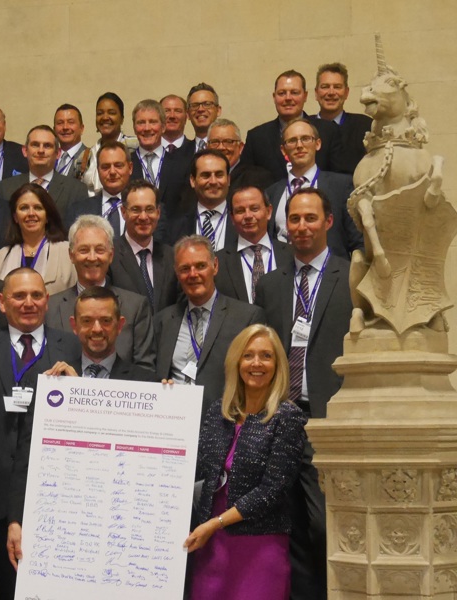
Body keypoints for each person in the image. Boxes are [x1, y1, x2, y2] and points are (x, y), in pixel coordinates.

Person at [0, 268, 81, 600]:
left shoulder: (68, 345)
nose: (28, 303)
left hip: (49, 493)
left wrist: (77, 386)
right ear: (2, 302)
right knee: (5, 587)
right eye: (19, 296)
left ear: (47, 300)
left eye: (36, 295)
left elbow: (78, 417)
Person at [6, 286, 159, 566]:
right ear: (74, 326)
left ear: (120, 325)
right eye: (87, 321)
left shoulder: (147, 385)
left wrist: (171, 402)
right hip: (61, 520)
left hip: (122, 525)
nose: (96, 329)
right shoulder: (50, 380)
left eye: (106, 321)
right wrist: (15, 519)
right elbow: (26, 457)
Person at [254, 188, 352, 600]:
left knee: (322, 524)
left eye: (310, 218)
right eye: (294, 219)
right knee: (286, 521)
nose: (302, 227)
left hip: (328, 419)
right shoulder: (271, 284)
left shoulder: (352, 276)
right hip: (280, 417)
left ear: (328, 222)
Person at [184, 324, 307, 600]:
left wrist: (215, 523)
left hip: (258, 548)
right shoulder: (219, 411)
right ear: (236, 361)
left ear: (278, 365)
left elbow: (272, 491)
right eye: (248, 355)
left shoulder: (288, 417)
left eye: (266, 356)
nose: (257, 363)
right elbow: (196, 468)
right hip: (210, 547)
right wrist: (167, 399)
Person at [154, 235, 265, 417]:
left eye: (200, 266)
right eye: (185, 268)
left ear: (215, 266)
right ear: (176, 272)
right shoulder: (163, 321)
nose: (193, 274)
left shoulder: (246, 318)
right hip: (172, 423)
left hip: (225, 424)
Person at [46, 214, 156, 371]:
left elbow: (145, 370)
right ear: (71, 255)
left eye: (99, 250)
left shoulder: (136, 307)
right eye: (84, 250)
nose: (92, 258)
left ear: (110, 255)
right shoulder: (51, 308)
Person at [266, 118, 363, 258]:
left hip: (330, 274)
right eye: (292, 141)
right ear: (283, 150)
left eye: (306, 139)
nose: (299, 145)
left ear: (317, 144)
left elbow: (359, 242)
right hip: (284, 273)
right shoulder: (272, 193)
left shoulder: (341, 186)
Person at [239, 69, 348, 181]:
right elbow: (246, 180)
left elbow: (340, 178)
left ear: (305, 96)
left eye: (294, 93)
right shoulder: (257, 137)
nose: (288, 98)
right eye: (282, 93)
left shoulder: (328, 131)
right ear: (274, 97)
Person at [0, 183, 76, 294]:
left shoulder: (69, 253)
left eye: (38, 208)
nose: (31, 213)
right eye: (24, 208)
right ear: (15, 217)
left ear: (47, 216)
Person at [108, 179, 179, 313]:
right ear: (123, 212)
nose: (143, 217)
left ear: (158, 213)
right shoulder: (110, 256)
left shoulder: (172, 256)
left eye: (149, 209)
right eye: (136, 209)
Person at [214, 185, 294, 304]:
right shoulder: (218, 262)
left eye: (254, 209)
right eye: (240, 211)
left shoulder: (292, 254)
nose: (248, 216)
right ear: (232, 218)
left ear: (268, 212)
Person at [0, 125, 88, 221]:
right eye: (35, 145)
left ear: (58, 153)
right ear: (25, 151)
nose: (41, 150)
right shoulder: (6, 188)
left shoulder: (76, 190)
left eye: (47, 146)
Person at [161, 148, 238, 249]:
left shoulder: (241, 221)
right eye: (206, 175)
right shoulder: (174, 226)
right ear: (192, 181)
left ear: (228, 180)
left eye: (219, 175)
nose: (213, 181)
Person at [129, 98, 189, 215]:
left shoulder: (182, 164)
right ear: (134, 128)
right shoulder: (125, 165)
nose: (147, 128)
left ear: (163, 127)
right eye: (141, 122)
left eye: (153, 122)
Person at [314, 62, 372, 173]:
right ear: (316, 93)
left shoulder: (365, 126)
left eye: (337, 87)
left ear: (346, 93)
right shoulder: (304, 127)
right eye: (325, 87)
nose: (331, 92)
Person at [65, 140, 133, 233]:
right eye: (105, 167)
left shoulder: (146, 209)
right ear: (98, 170)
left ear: (130, 168)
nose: (112, 172)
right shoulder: (78, 211)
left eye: (118, 165)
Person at [80, 92, 138, 195]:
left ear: (122, 118)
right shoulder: (86, 156)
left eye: (111, 112)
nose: (105, 117)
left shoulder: (135, 148)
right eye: (100, 113)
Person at [207, 118, 274, 198]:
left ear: (240, 147)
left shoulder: (259, 178)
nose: (221, 147)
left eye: (228, 142)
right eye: (215, 142)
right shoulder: (200, 179)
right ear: (207, 147)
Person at [53, 104, 87, 180]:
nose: (65, 127)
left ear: (81, 128)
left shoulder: (91, 157)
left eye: (71, 122)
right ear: (54, 130)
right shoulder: (48, 158)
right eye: (60, 123)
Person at [186, 83, 222, 153]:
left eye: (207, 104)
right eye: (195, 105)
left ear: (218, 110)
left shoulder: (229, 150)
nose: (200, 109)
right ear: (188, 114)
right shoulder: (178, 154)